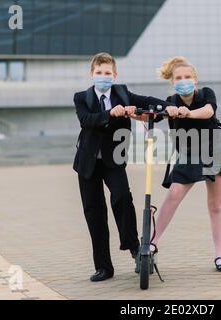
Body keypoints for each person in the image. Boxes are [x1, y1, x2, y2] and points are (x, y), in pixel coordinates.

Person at [73, 52, 171, 282]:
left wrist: (169, 107)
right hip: (87, 163)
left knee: (122, 198)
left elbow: (146, 101)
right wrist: (110, 113)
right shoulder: (81, 97)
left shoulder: (122, 93)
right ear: (92, 74)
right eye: (99, 73)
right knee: (94, 213)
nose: (103, 77)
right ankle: (104, 267)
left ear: (114, 75)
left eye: (108, 73)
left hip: (113, 160)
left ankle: (135, 249)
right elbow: (86, 120)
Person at [150, 56, 221, 272]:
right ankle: (152, 244)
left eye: (187, 77)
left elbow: (208, 111)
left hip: (214, 151)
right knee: (174, 193)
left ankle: (220, 256)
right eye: (179, 78)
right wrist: (135, 114)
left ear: (195, 79)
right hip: (188, 153)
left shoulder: (206, 94)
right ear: (173, 82)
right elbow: (153, 116)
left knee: (216, 204)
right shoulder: (171, 101)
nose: (183, 80)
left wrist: (189, 113)